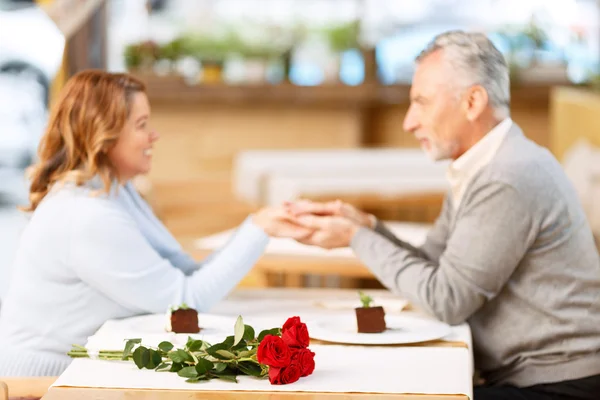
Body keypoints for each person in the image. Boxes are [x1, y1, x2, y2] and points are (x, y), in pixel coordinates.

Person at [287, 31, 600, 399]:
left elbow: (445, 300)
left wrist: (356, 239)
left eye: (421, 102)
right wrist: (367, 226)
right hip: (525, 376)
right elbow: (434, 264)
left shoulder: (507, 176)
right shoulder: (482, 165)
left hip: (558, 386)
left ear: (472, 102)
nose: (409, 122)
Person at [0, 70, 312, 376]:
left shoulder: (117, 192)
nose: (154, 135)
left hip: (84, 370)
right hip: (47, 382)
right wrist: (259, 229)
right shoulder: (87, 215)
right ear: (105, 134)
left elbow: (186, 273)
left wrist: (259, 226)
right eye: (141, 124)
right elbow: (185, 302)